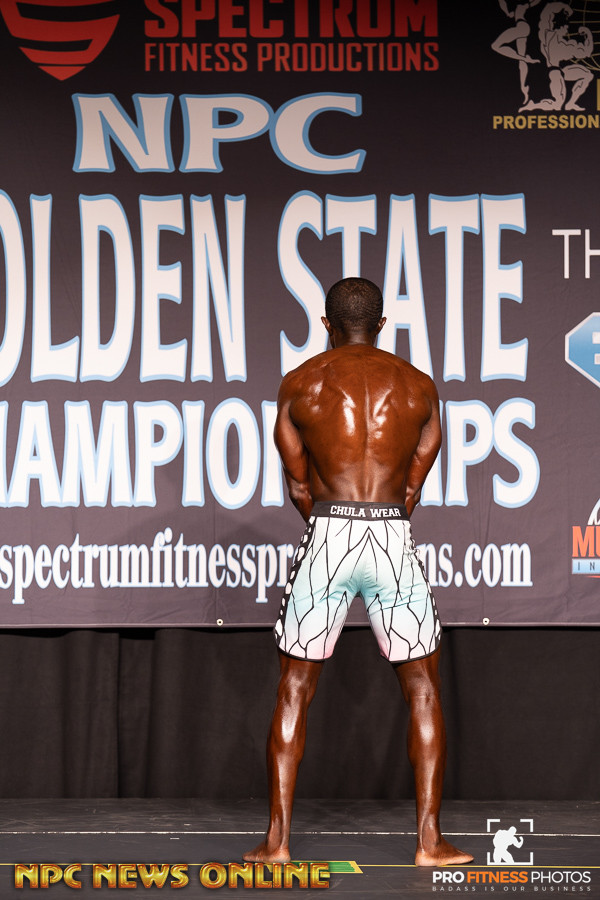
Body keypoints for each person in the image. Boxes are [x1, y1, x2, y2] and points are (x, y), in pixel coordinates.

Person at [244, 277, 473, 867]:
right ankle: (429, 842)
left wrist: (331, 525)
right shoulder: (418, 386)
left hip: (328, 532)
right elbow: (415, 483)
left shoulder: (301, 383)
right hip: (391, 532)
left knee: (295, 688)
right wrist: (384, 520)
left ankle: (277, 844)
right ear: (382, 325)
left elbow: (298, 484)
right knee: (422, 688)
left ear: (326, 325)